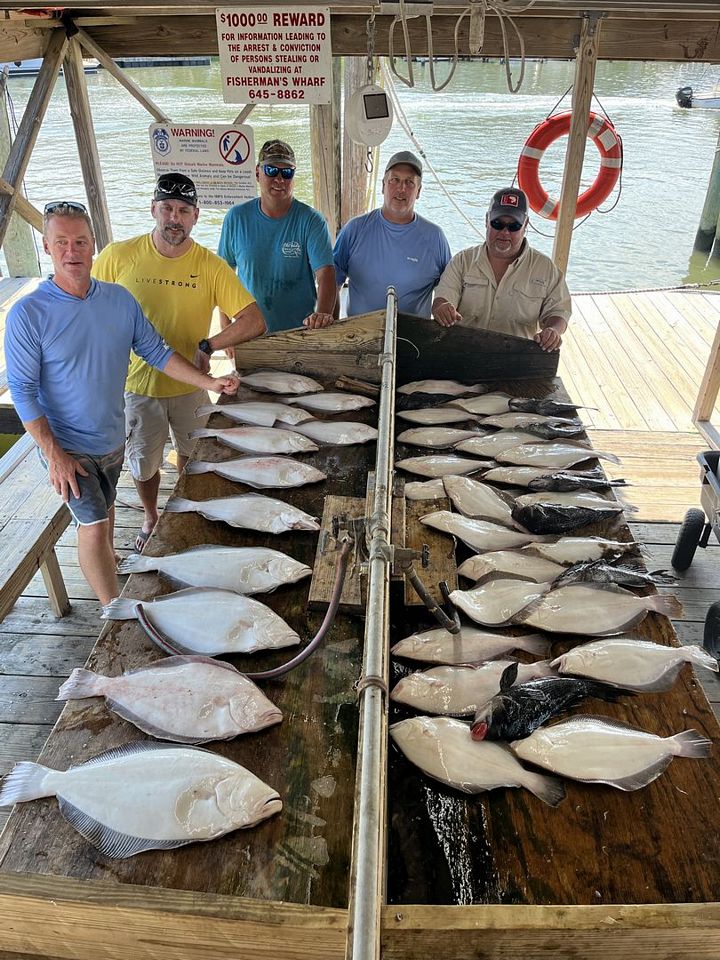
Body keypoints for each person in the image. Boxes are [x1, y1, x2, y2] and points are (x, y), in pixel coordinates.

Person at [5, 201, 239, 607]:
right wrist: (54, 455)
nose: (72, 251)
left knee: (108, 510)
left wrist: (209, 379)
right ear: (46, 247)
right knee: (93, 524)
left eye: (80, 241)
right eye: (61, 242)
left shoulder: (119, 300)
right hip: (67, 445)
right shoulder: (28, 314)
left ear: (95, 245)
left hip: (112, 435)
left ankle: (109, 564)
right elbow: (23, 391)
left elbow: (158, 352)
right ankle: (116, 610)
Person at [92, 172, 266, 552]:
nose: (175, 218)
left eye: (183, 210)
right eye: (167, 208)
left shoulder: (210, 265)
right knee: (144, 463)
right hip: (138, 387)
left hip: (192, 385)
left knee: (195, 455)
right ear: (153, 209)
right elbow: (86, 306)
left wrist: (209, 343)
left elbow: (254, 320)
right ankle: (151, 514)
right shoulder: (117, 257)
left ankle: (188, 510)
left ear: (196, 216)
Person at [431, 187, 571, 351]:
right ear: (486, 220)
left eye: (514, 226)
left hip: (517, 362)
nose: (504, 232)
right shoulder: (462, 261)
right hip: (462, 355)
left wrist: (552, 331)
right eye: (497, 224)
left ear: (526, 225)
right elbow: (442, 299)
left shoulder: (546, 269)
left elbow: (559, 311)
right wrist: (442, 309)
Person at [217, 139, 335, 333]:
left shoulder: (312, 220)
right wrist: (225, 326)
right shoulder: (236, 218)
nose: (279, 179)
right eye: (271, 170)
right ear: (257, 173)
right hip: (248, 333)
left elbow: (326, 274)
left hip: (299, 333)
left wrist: (321, 317)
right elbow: (223, 275)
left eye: (287, 173)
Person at [333, 150, 451, 317]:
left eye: (409, 182)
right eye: (394, 180)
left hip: (414, 339)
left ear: (418, 191)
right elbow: (332, 281)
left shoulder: (435, 238)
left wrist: (443, 305)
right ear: (383, 186)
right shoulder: (354, 230)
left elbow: (449, 288)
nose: (401, 188)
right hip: (359, 335)